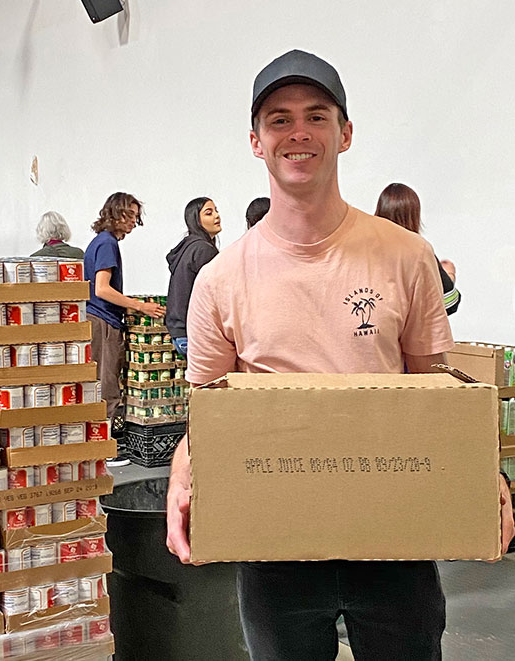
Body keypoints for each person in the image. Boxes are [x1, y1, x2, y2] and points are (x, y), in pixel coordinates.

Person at [165, 49, 515, 660]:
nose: (297, 132)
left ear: (345, 132)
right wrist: (181, 466)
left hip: (393, 536)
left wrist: (484, 468)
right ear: (255, 141)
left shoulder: (405, 258)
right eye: (278, 119)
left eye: (316, 116)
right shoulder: (221, 279)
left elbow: (435, 393)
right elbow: (210, 414)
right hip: (275, 543)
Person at [84, 192, 165, 466]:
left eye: (135, 217)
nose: (133, 222)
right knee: (107, 383)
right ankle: (107, 449)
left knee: (100, 381)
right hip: (103, 320)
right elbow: (103, 289)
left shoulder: (100, 242)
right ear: (114, 214)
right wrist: (139, 306)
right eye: (129, 216)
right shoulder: (107, 244)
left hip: (96, 318)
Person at [375, 183, 461, 315]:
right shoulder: (419, 252)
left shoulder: (368, 251)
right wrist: (450, 274)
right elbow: (449, 303)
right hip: (411, 334)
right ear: (414, 215)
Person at [165, 198, 221, 356]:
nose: (217, 216)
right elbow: (213, 295)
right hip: (195, 334)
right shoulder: (204, 250)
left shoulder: (188, 247)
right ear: (196, 220)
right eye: (209, 213)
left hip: (179, 332)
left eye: (216, 211)